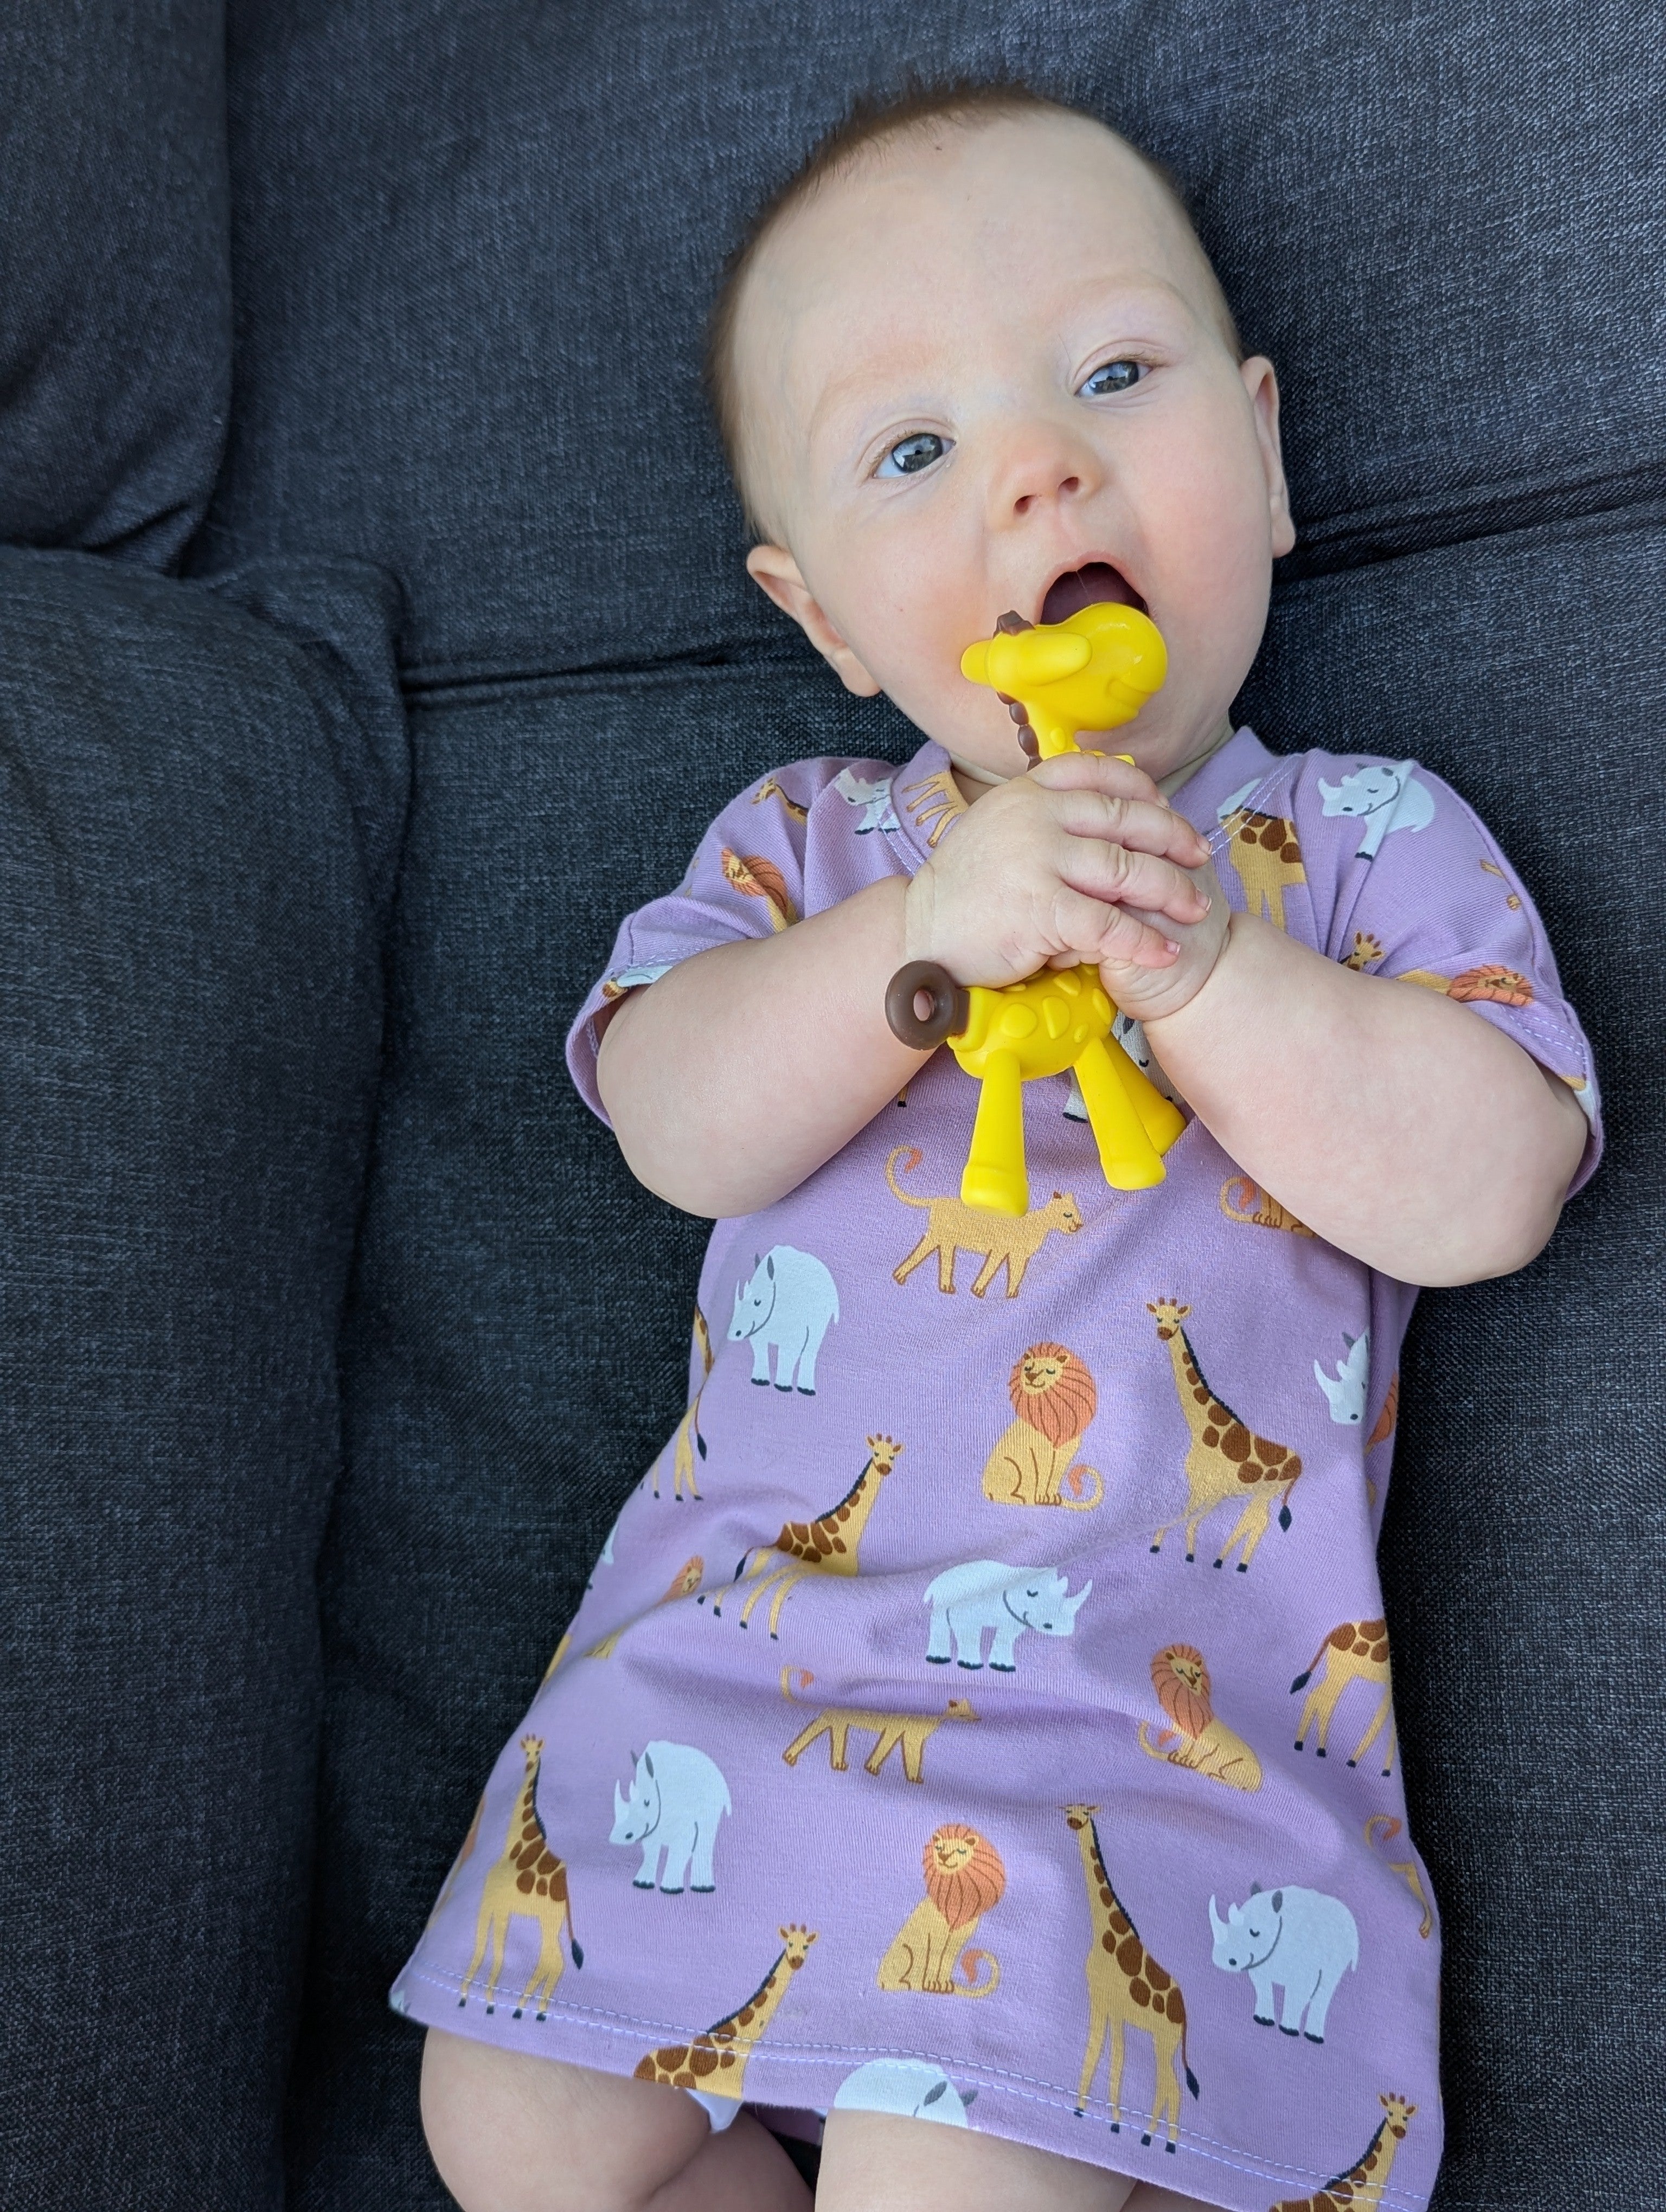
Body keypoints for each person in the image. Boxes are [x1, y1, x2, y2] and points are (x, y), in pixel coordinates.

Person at [400, 81, 1597, 2212]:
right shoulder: (805, 850)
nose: (1038, 464)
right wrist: (914, 948)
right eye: (914, 451)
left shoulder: (1359, 845)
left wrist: (1204, 966)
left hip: (1125, 1732)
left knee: (929, 2158)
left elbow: (1491, 1182)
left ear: (1266, 460)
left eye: (1114, 374)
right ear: (831, 626)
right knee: (508, 2120)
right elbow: (672, 1121)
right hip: (746, 1666)